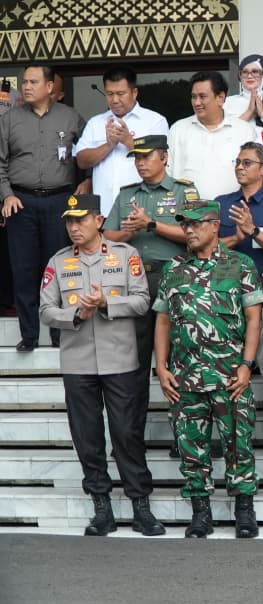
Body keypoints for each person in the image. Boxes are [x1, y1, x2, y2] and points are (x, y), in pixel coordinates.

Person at [38, 193, 164, 537]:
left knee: (126, 433)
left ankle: (141, 505)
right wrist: (77, 312)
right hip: (78, 362)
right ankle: (101, 507)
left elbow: (142, 301)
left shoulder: (126, 256)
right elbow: (46, 310)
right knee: (87, 435)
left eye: (80, 220)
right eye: (69, 221)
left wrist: (107, 302)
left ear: (99, 221)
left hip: (119, 358)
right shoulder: (58, 261)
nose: (74, 227)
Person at [153, 200, 262, 539]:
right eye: (185, 224)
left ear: (215, 226)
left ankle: (244, 511)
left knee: (238, 445)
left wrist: (247, 365)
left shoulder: (240, 265)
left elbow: (254, 319)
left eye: (196, 224)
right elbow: (163, 319)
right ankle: (201, 512)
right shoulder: (174, 269)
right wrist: (161, 366)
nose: (189, 230)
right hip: (185, 377)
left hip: (230, 376)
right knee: (191, 446)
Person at [104, 135, 200, 448]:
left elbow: (195, 234)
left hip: (174, 279)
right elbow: (108, 236)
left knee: (180, 358)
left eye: (147, 157)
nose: (141, 163)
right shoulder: (127, 194)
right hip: (136, 281)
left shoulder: (183, 190)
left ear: (164, 157)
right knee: (135, 361)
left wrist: (152, 225)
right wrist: (129, 231)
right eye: (137, 158)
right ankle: (132, 435)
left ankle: (184, 433)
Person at [0, 63, 85, 351]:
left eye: (33, 82)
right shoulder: (9, 120)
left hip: (60, 201)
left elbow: (84, 160)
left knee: (60, 267)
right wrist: (6, 195)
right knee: (23, 268)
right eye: (25, 81)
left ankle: (60, 333)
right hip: (21, 201)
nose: (26, 86)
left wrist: (81, 191)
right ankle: (30, 335)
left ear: (50, 87)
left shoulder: (71, 118)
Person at [215, 142, 263, 458]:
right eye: (238, 161)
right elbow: (208, 245)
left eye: (247, 162)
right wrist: (238, 236)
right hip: (228, 300)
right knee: (226, 370)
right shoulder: (222, 204)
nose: (240, 167)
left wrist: (255, 233)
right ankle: (226, 429)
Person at [74, 65, 169, 217]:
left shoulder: (154, 121)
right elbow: (82, 161)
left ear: (134, 92)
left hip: (141, 210)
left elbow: (160, 160)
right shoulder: (95, 122)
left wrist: (127, 140)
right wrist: (109, 145)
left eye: (120, 93)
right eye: (110, 94)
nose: (115, 100)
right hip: (103, 209)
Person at [167, 71, 260, 201]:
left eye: (202, 96)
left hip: (233, 212)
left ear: (220, 98)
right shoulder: (178, 129)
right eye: (193, 97)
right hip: (187, 213)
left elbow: (255, 176)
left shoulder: (244, 130)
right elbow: (167, 173)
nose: (197, 102)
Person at [227, 54, 263, 129]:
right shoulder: (228, 102)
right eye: (245, 72)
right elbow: (225, 133)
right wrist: (249, 111)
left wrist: (262, 113)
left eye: (255, 72)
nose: (249, 76)